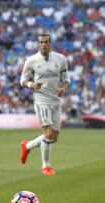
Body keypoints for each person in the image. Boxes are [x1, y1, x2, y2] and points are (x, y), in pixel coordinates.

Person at [19, 33, 70, 176]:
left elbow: (66, 79)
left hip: (55, 101)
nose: (43, 44)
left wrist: (63, 88)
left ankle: (27, 146)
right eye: (41, 42)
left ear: (50, 43)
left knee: (54, 137)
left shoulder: (60, 59)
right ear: (37, 44)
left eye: (46, 42)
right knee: (48, 134)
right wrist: (31, 84)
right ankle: (45, 166)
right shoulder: (31, 60)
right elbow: (22, 80)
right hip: (41, 100)